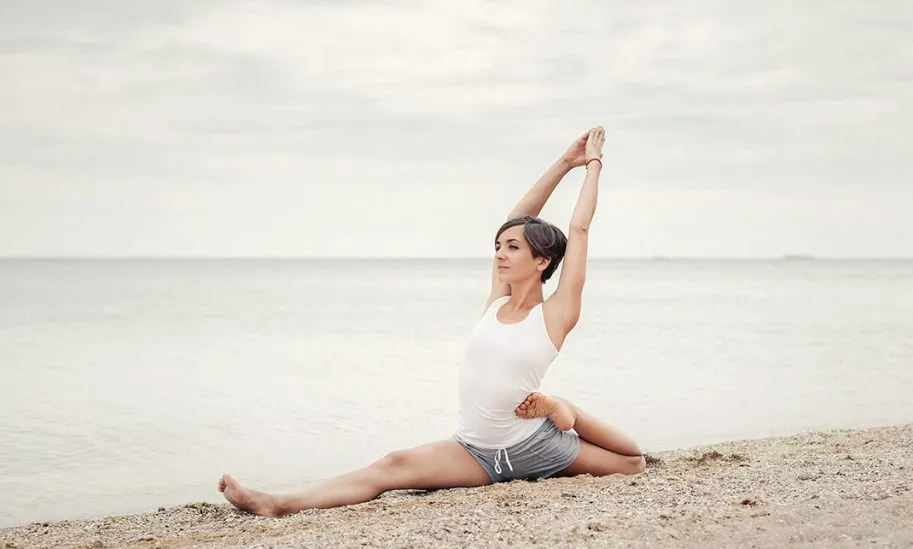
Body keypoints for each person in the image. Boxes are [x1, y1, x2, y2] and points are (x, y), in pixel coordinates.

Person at [218, 126, 644, 517]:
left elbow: (580, 228)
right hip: (476, 453)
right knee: (392, 465)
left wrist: (592, 165)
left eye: (512, 248)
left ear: (542, 261)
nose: (499, 253)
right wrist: (563, 163)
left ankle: (564, 407)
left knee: (632, 462)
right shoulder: (496, 303)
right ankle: (277, 503)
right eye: (499, 246)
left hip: (536, 444)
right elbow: (516, 217)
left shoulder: (555, 314)